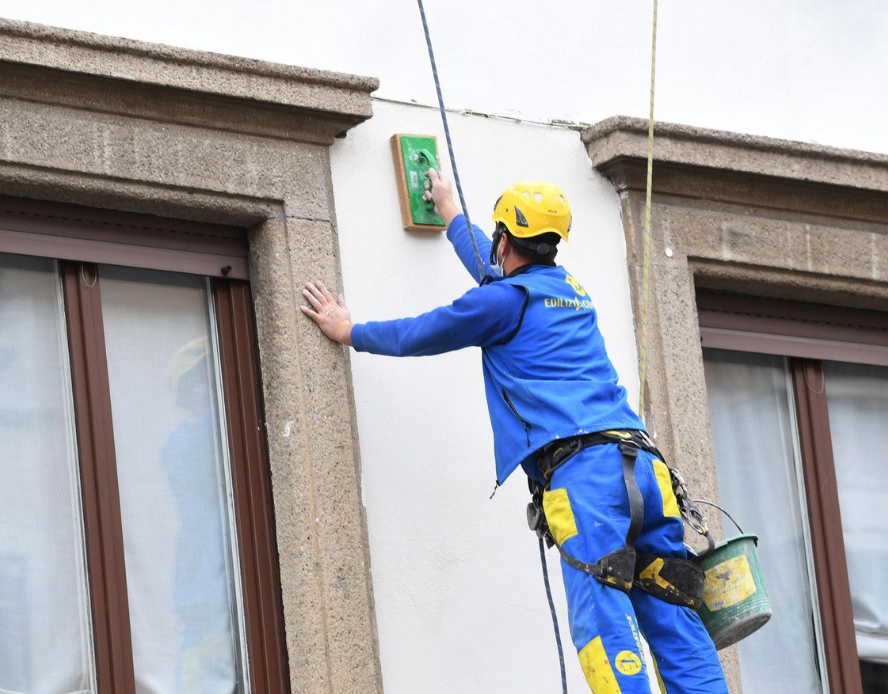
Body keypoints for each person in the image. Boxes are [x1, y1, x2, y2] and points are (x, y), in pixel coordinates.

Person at [300, 169, 727, 694]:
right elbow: (493, 271)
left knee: (603, 615)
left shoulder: (503, 302)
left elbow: (424, 331)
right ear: (552, 243)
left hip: (585, 479)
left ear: (505, 239)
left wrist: (349, 331)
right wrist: (451, 213)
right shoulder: (568, 289)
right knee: (672, 606)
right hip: (645, 469)